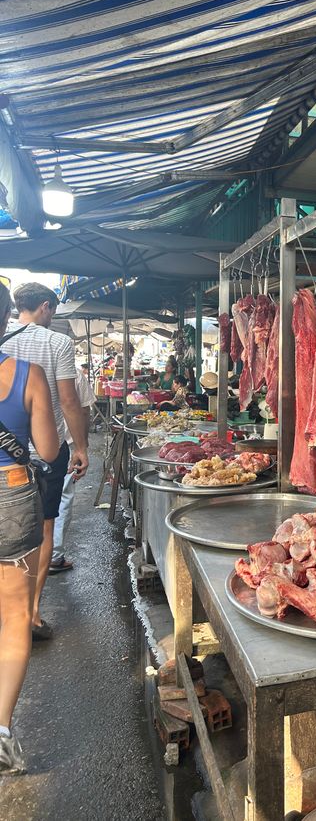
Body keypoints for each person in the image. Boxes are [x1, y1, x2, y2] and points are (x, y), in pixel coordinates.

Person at [3, 283, 89, 640]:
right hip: (40, 454)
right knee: (43, 531)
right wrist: (82, 446)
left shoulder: (5, 339)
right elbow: (69, 400)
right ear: (45, 307)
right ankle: (32, 613)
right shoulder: (57, 343)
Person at [0, 283, 59, 774]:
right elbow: (47, 451)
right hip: (11, 495)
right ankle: (0, 734)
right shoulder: (28, 375)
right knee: (15, 617)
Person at [50, 369, 96, 573]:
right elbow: (84, 410)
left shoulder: (23, 366)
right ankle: (54, 556)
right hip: (66, 444)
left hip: (27, 445)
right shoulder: (76, 375)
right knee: (62, 499)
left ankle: (29, 556)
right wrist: (81, 446)